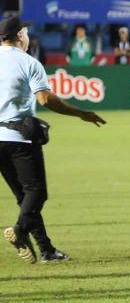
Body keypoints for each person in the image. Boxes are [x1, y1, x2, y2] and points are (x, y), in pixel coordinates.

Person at [0, 17, 106, 264]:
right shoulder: (28, 62)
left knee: (26, 198)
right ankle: (19, 230)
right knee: (36, 193)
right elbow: (46, 100)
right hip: (19, 139)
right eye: (25, 32)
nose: (27, 36)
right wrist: (82, 113)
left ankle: (46, 249)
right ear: (18, 36)